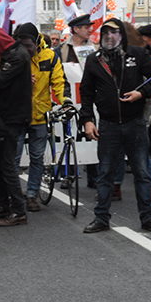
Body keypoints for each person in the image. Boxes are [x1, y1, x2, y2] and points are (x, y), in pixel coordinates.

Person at [79, 18, 151, 234]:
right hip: (108, 126)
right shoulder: (94, 60)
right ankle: (101, 218)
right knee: (105, 174)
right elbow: (86, 92)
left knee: (142, 174)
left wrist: (142, 93)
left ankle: (148, 218)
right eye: (106, 32)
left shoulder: (137, 54)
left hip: (135, 124)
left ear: (122, 35)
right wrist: (87, 120)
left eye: (114, 32)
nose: (110, 36)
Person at [0, 24, 32, 227]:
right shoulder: (9, 56)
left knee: (7, 165)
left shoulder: (17, 56)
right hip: (2, 116)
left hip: (13, 117)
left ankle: (18, 210)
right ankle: (3, 205)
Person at [14, 23, 65, 212]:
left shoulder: (50, 56)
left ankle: (31, 195)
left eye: (29, 45)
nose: (26, 49)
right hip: (17, 114)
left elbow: (59, 82)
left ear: (37, 42)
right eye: (22, 45)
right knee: (13, 158)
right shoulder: (13, 55)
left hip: (40, 114)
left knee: (37, 157)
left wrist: (64, 100)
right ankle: (13, 195)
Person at [58, 14, 99, 188]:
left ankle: (95, 176)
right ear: (75, 29)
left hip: (91, 100)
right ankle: (68, 174)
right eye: (86, 26)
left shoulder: (95, 49)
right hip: (70, 99)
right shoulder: (61, 50)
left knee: (92, 135)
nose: (90, 29)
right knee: (68, 135)